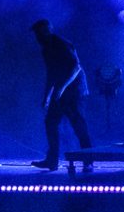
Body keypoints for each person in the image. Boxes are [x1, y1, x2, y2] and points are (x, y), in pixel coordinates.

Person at [30, 19, 92, 170]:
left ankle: (88, 161)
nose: (37, 37)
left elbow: (76, 66)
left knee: (78, 124)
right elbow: (51, 74)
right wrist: (47, 96)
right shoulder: (46, 49)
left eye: (39, 33)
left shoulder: (60, 43)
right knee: (50, 122)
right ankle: (52, 161)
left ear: (45, 31)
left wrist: (61, 88)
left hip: (75, 91)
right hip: (61, 91)